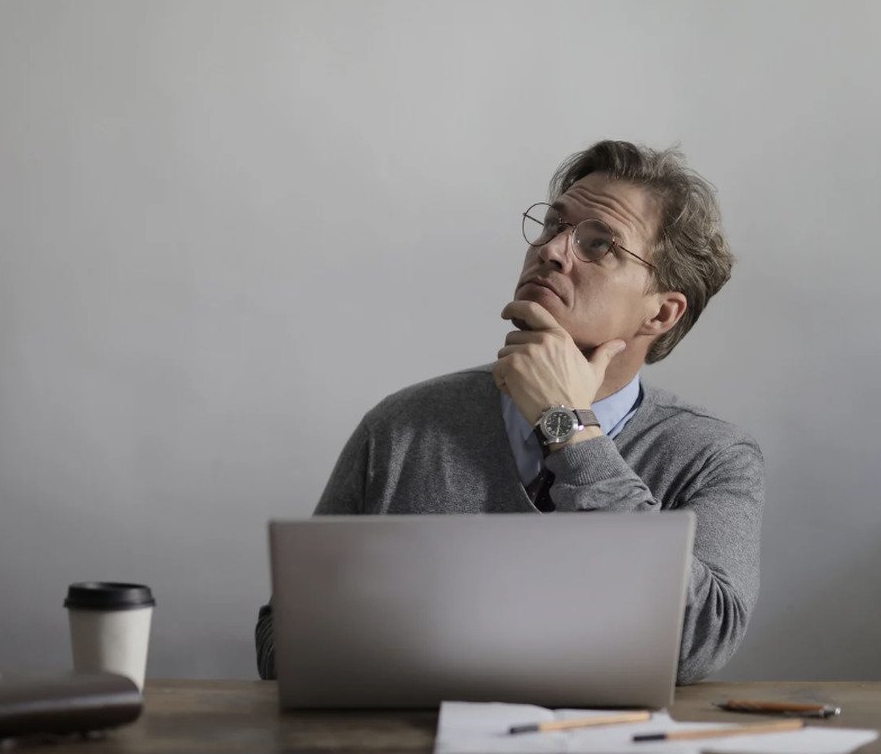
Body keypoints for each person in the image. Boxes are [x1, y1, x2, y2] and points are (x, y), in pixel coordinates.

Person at [255, 140, 763, 685]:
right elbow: (282, 644)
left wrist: (570, 429)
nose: (552, 250)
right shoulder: (403, 427)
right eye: (553, 225)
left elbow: (698, 646)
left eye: (599, 245)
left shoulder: (713, 457)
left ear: (662, 311)